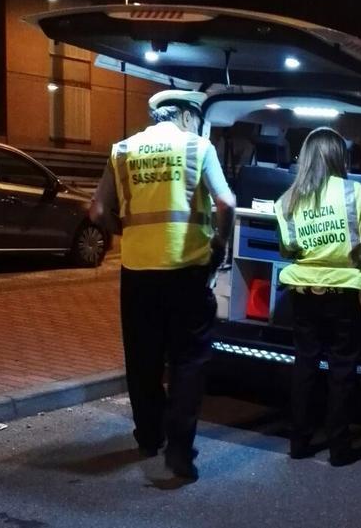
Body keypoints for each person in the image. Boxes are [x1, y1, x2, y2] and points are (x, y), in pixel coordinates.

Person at [90, 90, 235, 481]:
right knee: (188, 361)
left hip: (137, 273)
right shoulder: (197, 147)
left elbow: (97, 210)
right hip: (186, 271)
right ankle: (180, 452)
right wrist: (218, 246)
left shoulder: (122, 151)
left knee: (142, 359)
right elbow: (226, 204)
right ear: (187, 114)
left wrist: (124, 232)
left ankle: (148, 437)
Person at [274, 128, 361, 466]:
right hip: (345, 294)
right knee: (341, 370)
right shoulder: (354, 192)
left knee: (305, 365)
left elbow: (287, 248)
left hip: (302, 292)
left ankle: (299, 442)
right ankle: (339, 448)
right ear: (339, 157)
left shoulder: (287, 199)